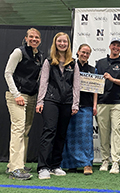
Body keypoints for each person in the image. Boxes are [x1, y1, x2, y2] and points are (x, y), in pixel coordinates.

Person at [36, 32, 80, 180]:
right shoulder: (49, 61)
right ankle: (43, 167)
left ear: (68, 44)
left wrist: (75, 103)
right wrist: (40, 101)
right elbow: (44, 82)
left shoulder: (73, 63)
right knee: (49, 132)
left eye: (65, 41)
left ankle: (55, 165)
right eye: (59, 41)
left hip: (67, 103)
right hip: (50, 100)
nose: (62, 44)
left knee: (61, 135)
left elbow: (76, 85)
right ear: (55, 43)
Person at [4, 28, 43, 180]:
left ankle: (18, 163)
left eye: (37, 37)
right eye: (31, 37)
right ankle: (15, 168)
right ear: (26, 38)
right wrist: (16, 94)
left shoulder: (39, 55)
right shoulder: (18, 52)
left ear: (40, 40)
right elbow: (8, 73)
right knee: (18, 130)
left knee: (25, 131)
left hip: (31, 96)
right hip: (17, 97)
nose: (34, 39)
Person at [95, 38, 120, 174]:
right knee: (103, 132)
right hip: (102, 102)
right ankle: (105, 160)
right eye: (114, 45)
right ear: (110, 46)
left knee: (117, 132)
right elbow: (95, 83)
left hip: (119, 102)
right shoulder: (100, 63)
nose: (116, 47)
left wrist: (112, 79)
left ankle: (115, 162)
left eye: (118, 46)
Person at [61, 44, 97, 175]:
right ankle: (71, 164)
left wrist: (94, 105)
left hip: (86, 106)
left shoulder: (92, 69)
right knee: (70, 135)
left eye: (87, 53)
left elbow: (96, 90)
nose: (85, 55)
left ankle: (87, 164)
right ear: (77, 52)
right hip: (70, 104)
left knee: (86, 135)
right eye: (83, 52)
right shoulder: (69, 67)